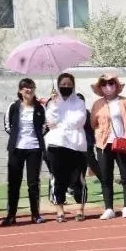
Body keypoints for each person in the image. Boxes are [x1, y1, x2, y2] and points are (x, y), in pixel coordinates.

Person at [90, 73, 126, 220]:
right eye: (104, 84)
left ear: (116, 85)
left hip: (122, 142)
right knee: (106, 177)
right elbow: (93, 123)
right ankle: (109, 208)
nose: (107, 86)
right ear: (100, 87)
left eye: (111, 83)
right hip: (104, 144)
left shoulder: (124, 102)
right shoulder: (97, 104)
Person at [44, 73, 90, 223]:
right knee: (58, 179)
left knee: (78, 178)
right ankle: (60, 210)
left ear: (73, 86)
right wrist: (54, 104)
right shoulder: (52, 102)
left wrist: (60, 124)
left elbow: (79, 121)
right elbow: (50, 121)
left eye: (69, 84)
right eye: (63, 84)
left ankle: (80, 209)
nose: (66, 87)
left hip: (77, 145)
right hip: (56, 145)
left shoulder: (79, 102)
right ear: (58, 85)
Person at [3, 78, 46, 225]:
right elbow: (7, 125)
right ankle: (11, 215)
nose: (29, 90)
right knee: (14, 182)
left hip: (34, 148)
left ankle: (35, 214)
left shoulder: (40, 108)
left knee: (33, 183)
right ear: (20, 90)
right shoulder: (13, 106)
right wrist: (16, 137)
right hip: (16, 149)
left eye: (31, 87)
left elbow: (45, 126)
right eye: (25, 87)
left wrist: (37, 137)